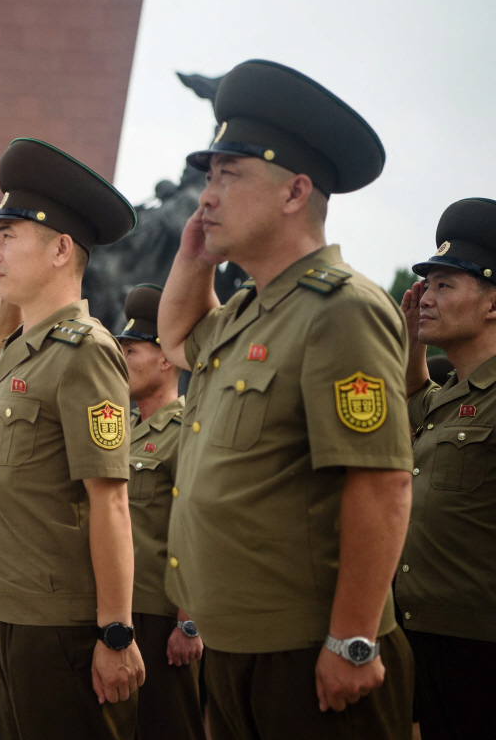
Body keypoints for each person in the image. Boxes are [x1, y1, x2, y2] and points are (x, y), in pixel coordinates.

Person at [157, 59, 415, 739]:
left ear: (295, 191)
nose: (205, 196)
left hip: (306, 652)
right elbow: (177, 339)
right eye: (207, 177)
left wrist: (353, 639)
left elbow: (381, 480)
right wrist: (194, 255)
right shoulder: (249, 312)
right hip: (235, 645)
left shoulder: (341, 310)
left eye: (228, 175)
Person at [0, 138, 143, 739]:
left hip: (56, 623)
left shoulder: (85, 352)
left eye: (9, 234)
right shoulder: (23, 350)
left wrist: (115, 630)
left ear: (61, 248)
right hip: (0, 610)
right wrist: (2, 273)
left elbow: (111, 499)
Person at [395, 198, 496, 740]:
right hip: (418, 635)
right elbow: (413, 404)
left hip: (479, 651)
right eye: (426, 284)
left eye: (445, 285)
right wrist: (412, 343)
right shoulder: (450, 396)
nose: (425, 298)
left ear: (492, 304)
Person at [115, 284, 203, 740]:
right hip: (116, 610)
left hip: (161, 615)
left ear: (165, 359)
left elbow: (195, 525)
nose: (121, 361)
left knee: (168, 726)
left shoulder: (187, 429)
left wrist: (188, 620)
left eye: (130, 351)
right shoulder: (119, 429)